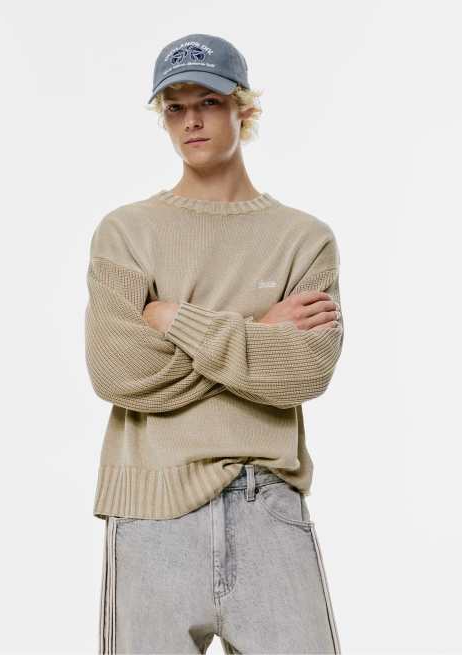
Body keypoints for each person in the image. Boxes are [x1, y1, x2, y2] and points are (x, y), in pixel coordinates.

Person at [85, 32, 344, 654]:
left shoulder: (304, 239)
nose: (191, 121)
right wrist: (260, 331)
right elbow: (119, 372)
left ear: (243, 109)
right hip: (150, 507)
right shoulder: (126, 232)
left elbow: (305, 371)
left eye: (209, 102)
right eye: (175, 107)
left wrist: (172, 318)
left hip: (267, 502)